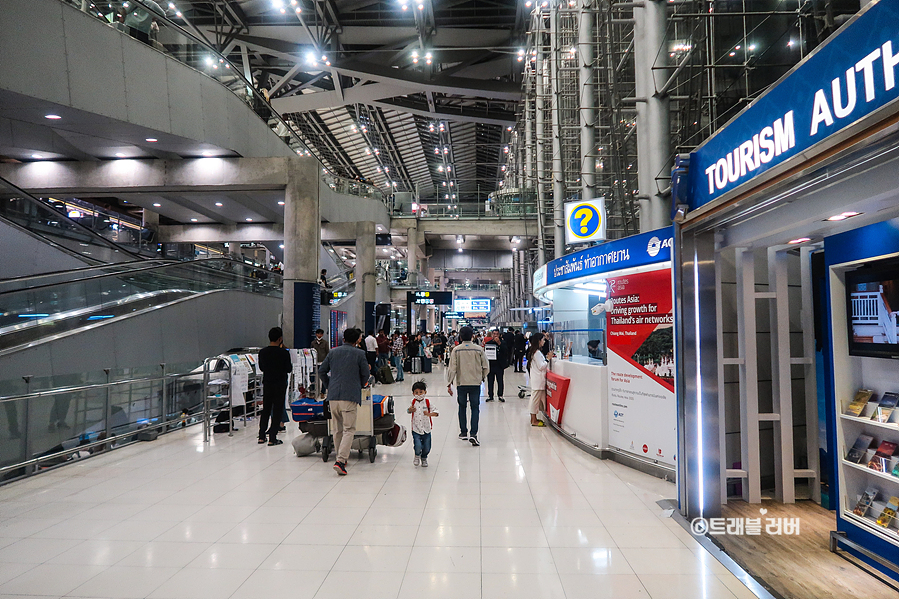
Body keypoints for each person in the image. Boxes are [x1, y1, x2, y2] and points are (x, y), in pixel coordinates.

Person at [319, 328, 370, 475]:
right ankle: (340, 461)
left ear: (343, 339)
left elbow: (322, 371)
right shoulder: (359, 354)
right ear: (357, 340)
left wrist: (329, 385)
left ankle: (341, 457)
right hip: (349, 396)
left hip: (333, 396)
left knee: (337, 429)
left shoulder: (333, 352)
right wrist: (359, 384)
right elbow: (365, 373)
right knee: (349, 429)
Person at [446, 326, 488, 446]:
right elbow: (486, 366)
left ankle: (463, 432)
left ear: (460, 336)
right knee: (475, 408)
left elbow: (452, 368)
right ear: (472, 336)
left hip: (461, 383)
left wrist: (449, 383)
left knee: (462, 407)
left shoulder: (456, 350)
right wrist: (482, 377)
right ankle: (473, 433)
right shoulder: (479, 349)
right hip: (475, 383)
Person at [257, 327, 291, 445]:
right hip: (280, 383)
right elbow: (288, 368)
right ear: (280, 338)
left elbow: (261, 368)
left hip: (268, 382)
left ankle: (261, 436)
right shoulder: (283, 353)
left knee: (266, 409)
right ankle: (272, 437)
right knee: (277, 409)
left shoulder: (263, 352)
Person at [407, 379, 439, 467]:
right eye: (416, 392)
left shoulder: (428, 402)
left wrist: (429, 414)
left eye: (421, 392)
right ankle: (417, 455)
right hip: (416, 429)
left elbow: (436, 412)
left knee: (427, 447)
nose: (419, 394)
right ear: (413, 393)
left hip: (426, 429)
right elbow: (409, 410)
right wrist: (410, 410)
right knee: (417, 445)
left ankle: (424, 457)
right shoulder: (413, 402)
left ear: (425, 392)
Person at [527, 333, 554, 427]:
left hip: (537, 380)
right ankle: (533, 420)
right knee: (535, 401)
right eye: (543, 340)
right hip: (538, 380)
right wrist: (547, 359)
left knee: (537, 400)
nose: (544, 341)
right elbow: (541, 366)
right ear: (539, 341)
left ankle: (534, 418)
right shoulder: (537, 353)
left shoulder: (534, 352)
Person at [484, 331, 509, 402]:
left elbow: (506, 352)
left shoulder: (503, 343)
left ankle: (500, 395)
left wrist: (499, 343)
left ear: (499, 335)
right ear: (492, 335)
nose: (495, 336)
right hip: (491, 365)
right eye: (494, 334)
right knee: (490, 381)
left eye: (497, 334)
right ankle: (490, 395)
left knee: (500, 381)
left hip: (499, 365)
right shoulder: (489, 343)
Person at [310, 328, 330, 398]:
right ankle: (312, 391)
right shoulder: (313, 343)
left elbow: (328, 353)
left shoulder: (325, 343)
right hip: (314, 363)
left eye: (321, 334)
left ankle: (323, 392)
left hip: (323, 363)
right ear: (316, 334)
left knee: (323, 378)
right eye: (318, 334)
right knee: (312, 377)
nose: (319, 335)